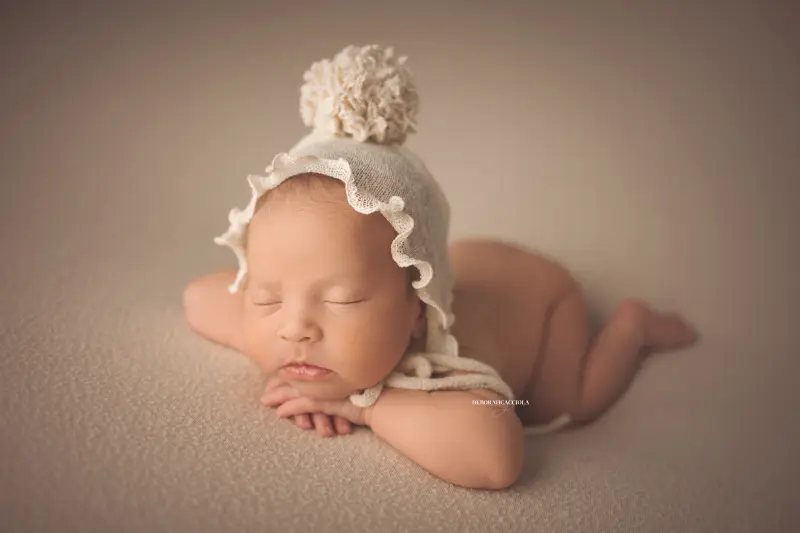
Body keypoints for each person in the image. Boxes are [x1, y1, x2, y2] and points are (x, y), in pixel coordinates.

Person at [182, 44, 698, 490]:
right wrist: (259, 317)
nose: (293, 328)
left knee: (566, 405)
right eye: (267, 296)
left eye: (342, 299)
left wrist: (364, 407)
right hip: (474, 263)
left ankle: (632, 327)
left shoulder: (445, 371)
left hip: (543, 300)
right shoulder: (285, 323)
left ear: (419, 312)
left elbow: (498, 455)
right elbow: (198, 298)